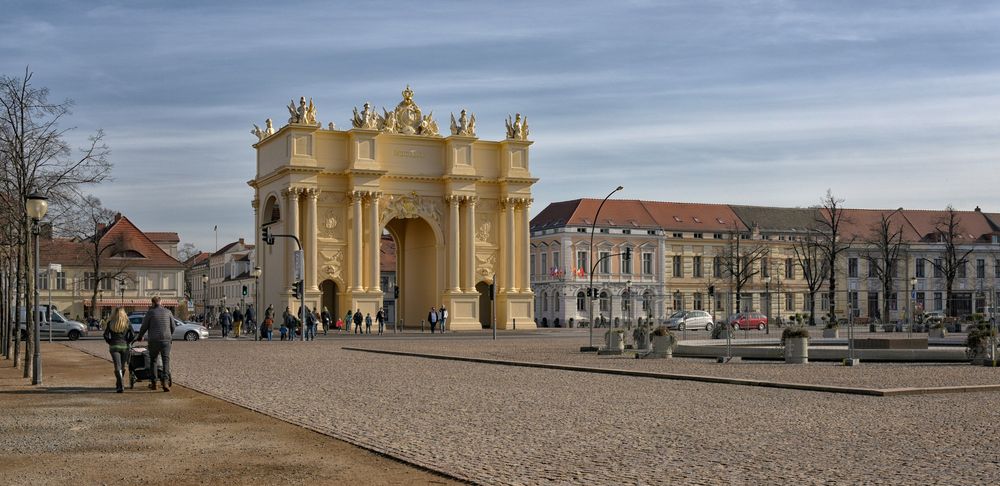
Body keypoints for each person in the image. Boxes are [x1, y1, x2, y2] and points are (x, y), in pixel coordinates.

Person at [137, 296, 176, 392]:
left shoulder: (150, 313)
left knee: (153, 360)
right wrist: (168, 335)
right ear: (161, 302)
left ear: (152, 303)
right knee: (165, 361)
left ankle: (154, 383)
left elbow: (144, 326)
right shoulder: (168, 312)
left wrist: (140, 336)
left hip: (154, 340)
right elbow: (173, 326)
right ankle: (165, 383)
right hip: (166, 340)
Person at [103, 307, 135, 393]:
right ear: (124, 313)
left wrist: (110, 342)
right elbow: (132, 335)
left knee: (117, 366)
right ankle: (120, 383)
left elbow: (105, 335)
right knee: (123, 366)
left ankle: (120, 384)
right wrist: (127, 342)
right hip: (124, 346)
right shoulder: (127, 323)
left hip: (114, 346)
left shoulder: (110, 323)